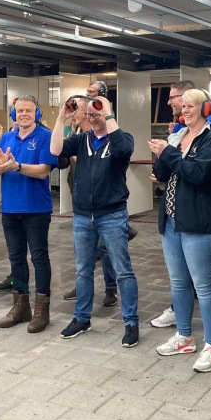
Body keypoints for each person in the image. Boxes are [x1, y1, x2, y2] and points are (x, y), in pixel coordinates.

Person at [50, 94, 140, 348]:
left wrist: (107, 112)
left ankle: (131, 322)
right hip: (82, 216)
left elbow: (122, 151)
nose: (92, 118)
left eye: (96, 114)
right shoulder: (82, 140)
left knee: (123, 271)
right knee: (83, 270)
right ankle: (82, 318)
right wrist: (61, 118)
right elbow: (55, 150)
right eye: (89, 115)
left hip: (112, 215)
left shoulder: (122, 138)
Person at [149, 89, 211, 372]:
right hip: (172, 221)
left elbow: (197, 174)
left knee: (205, 287)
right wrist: (163, 154)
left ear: (206, 109)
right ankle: (183, 336)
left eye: (191, 106)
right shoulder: (179, 136)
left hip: (200, 223)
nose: (185, 111)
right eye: (183, 106)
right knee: (179, 282)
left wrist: (169, 153)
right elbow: (162, 174)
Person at [0, 96, 58, 333]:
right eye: (19, 111)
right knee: (16, 258)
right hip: (10, 208)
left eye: (28, 111)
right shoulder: (6, 138)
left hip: (36, 209)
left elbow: (43, 171)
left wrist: (16, 166)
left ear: (37, 114)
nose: (24, 115)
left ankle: (42, 309)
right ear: (14, 114)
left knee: (39, 258)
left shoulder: (46, 136)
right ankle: (21, 306)